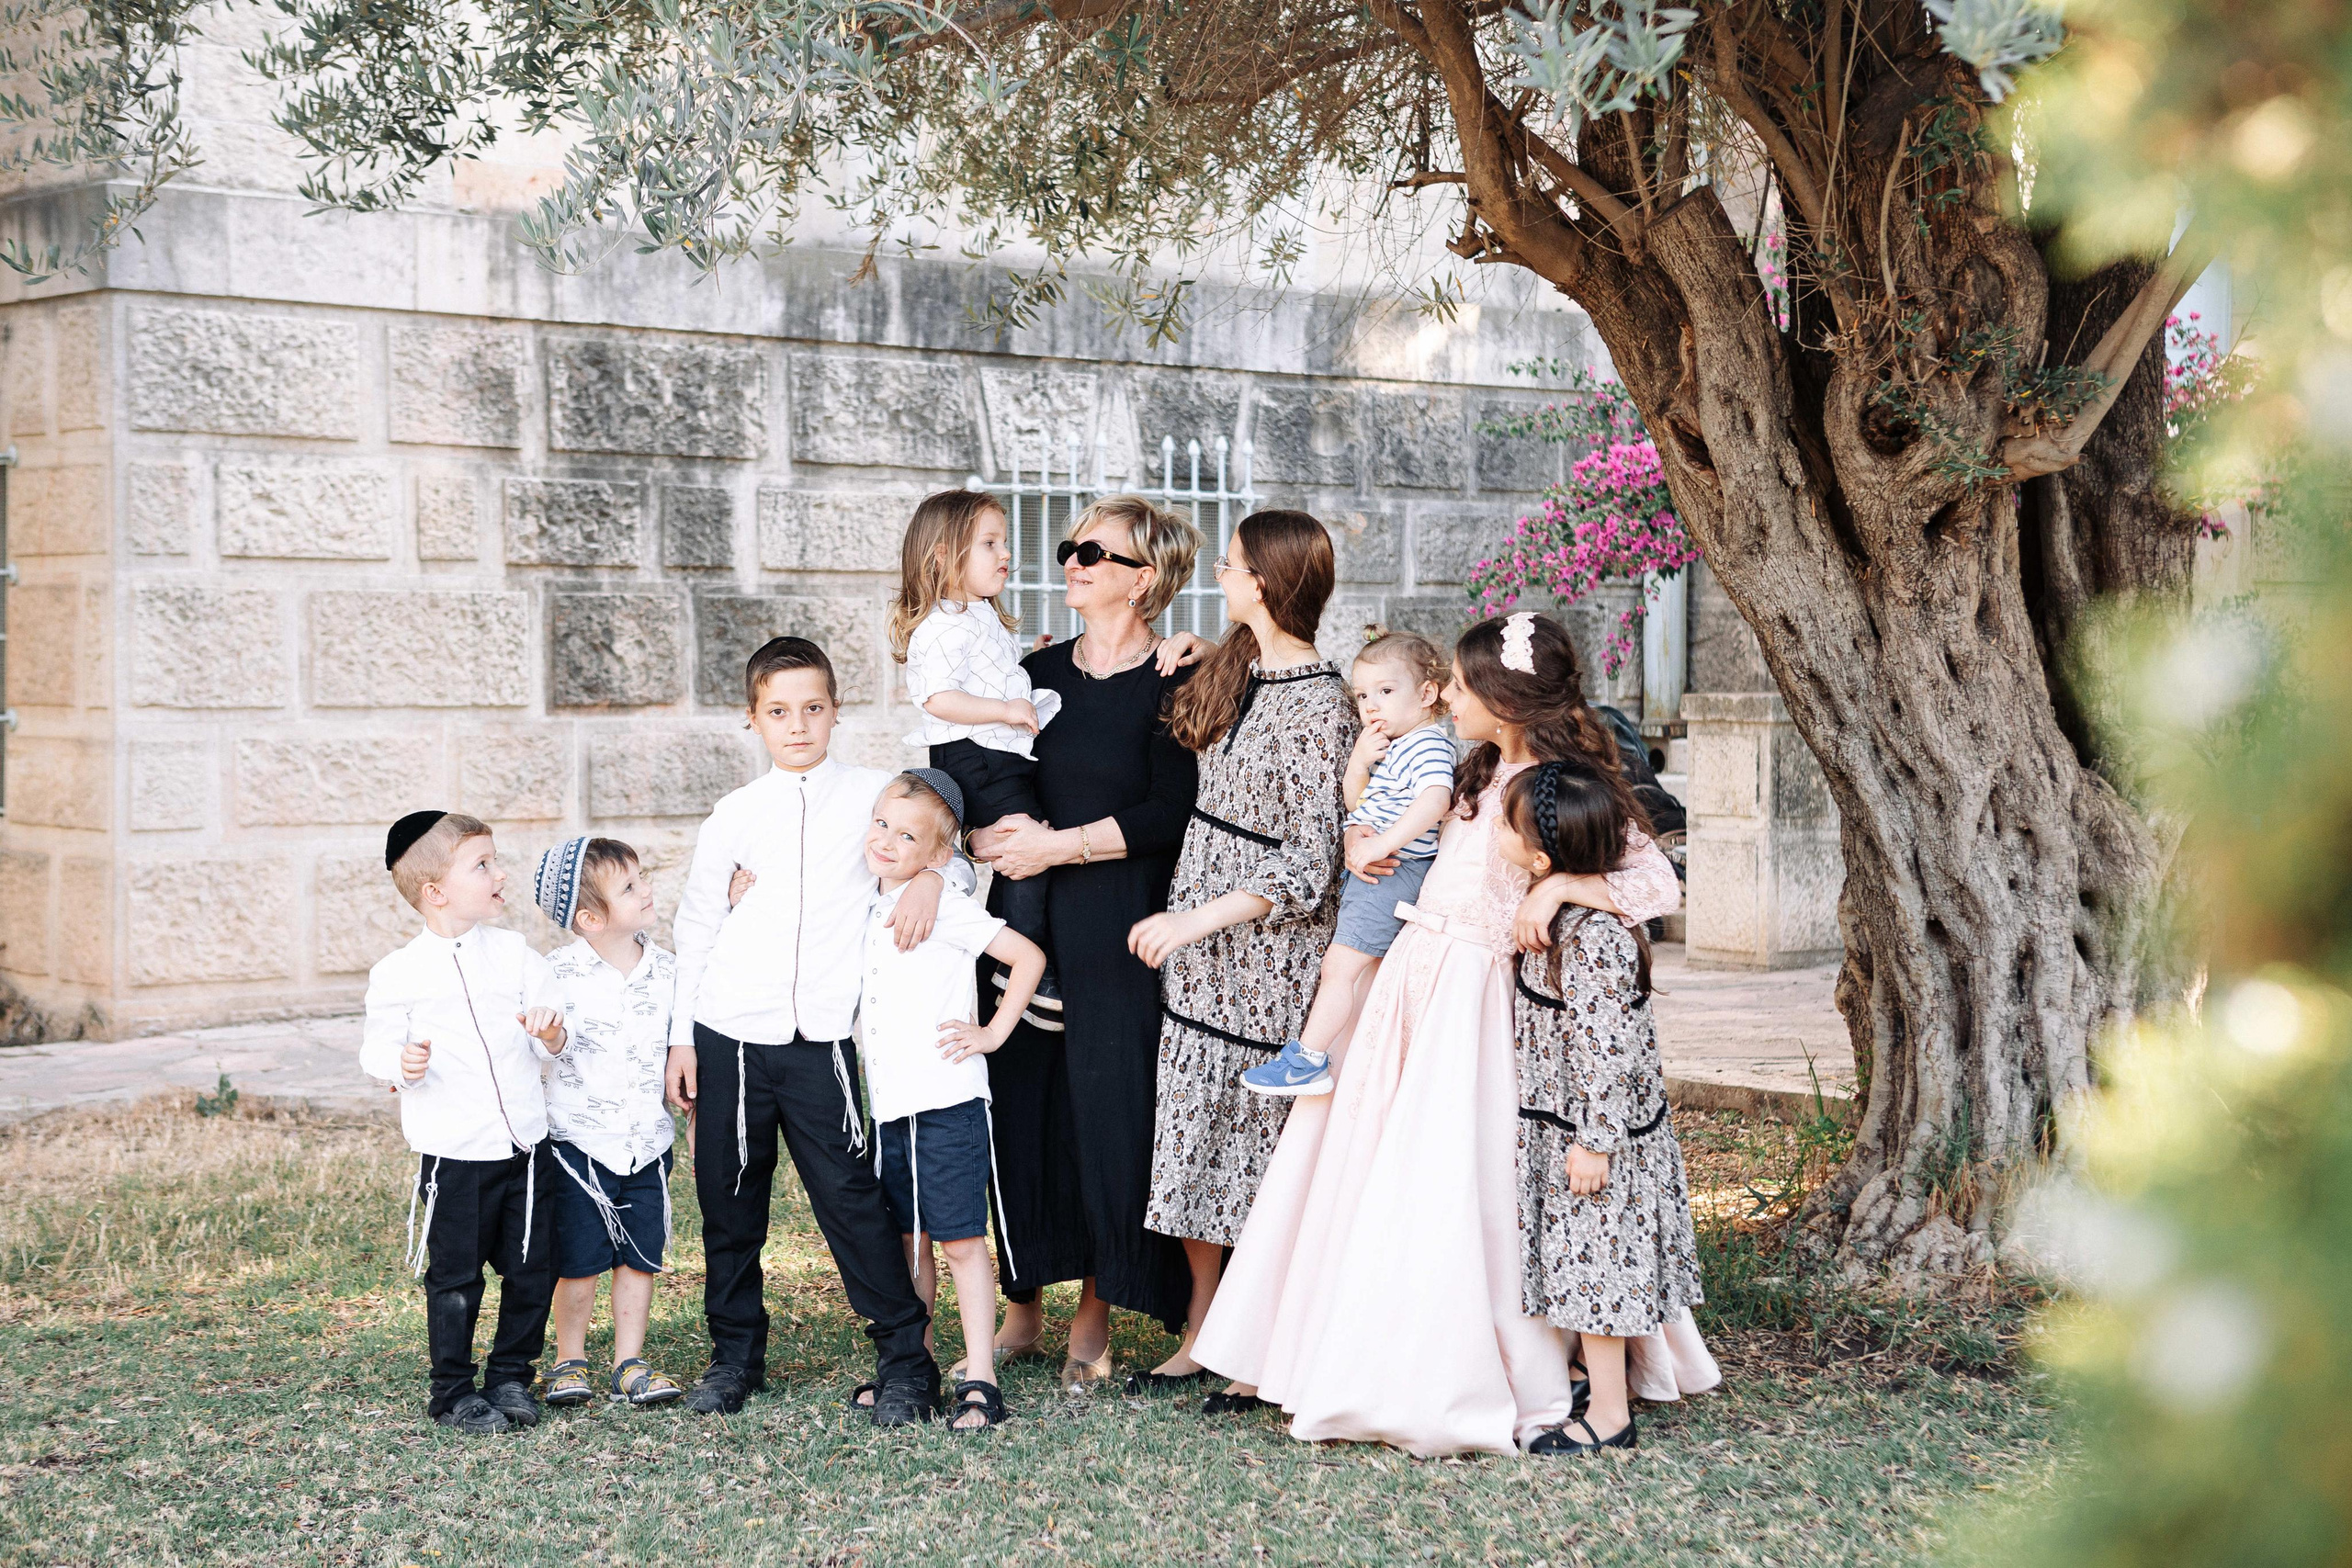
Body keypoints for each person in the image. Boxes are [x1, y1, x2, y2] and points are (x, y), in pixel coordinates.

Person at [1190, 611, 1695, 1457]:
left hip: (1483, 995)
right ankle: (1341, 1342)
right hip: (1415, 976)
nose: (1448, 698)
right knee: (1376, 1163)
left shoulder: (1563, 785)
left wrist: (1561, 887)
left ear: (1501, 697)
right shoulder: (1474, 767)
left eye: (1459, 686)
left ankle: (1501, 1358)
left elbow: (1657, 882)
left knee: (1467, 1175)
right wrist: (1363, 833)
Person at [662, 636, 954, 1425]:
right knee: (729, 1201)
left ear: (835, 712)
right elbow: (696, 924)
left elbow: (944, 838)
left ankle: (905, 1359)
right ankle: (734, 1357)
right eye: (779, 712)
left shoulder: (870, 796)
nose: (798, 725)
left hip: (819, 1039)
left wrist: (927, 873)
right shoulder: (735, 814)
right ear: (753, 720)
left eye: (813, 708)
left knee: (853, 1199)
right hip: (729, 1031)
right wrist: (683, 1040)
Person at [967, 494, 1204, 1387]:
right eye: (1071, 548)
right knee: (1018, 1103)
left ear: (1145, 579)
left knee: (1106, 1113)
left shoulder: (1178, 682)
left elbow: (1168, 811)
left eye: (1094, 553)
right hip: (1022, 913)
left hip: (1117, 916)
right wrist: (979, 831)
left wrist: (1060, 844)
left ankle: (1094, 1312)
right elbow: (976, 765)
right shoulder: (1031, 672)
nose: (1071, 561)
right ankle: (1021, 1304)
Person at [1127, 510, 1356, 1389]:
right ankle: (1203, 1328)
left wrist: (1197, 919)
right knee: (1190, 1135)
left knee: (1257, 1149)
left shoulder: (1321, 705)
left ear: (1262, 580)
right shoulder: (1236, 663)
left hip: (1265, 952)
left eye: (1227, 565)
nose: (1217, 574)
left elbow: (1309, 862)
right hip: (1200, 942)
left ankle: (1262, 1341)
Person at [1495, 761, 1713, 1455]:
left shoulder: (1594, 939)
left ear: (1539, 855)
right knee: (1582, 1266)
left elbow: (1606, 1052)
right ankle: (1595, 1380)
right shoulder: (1560, 913)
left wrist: (1594, 1140)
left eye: (1506, 822)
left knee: (1599, 1274)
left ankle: (1611, 1416)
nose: (1495, 830)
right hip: (1562, 1123)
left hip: (1593, 1135)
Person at [359, 810, 568, 1434]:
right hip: (454, 1153)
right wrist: (402, 1062)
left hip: (525, 1147)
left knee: (533, 1266)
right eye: (482, 865)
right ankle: (452, 1390)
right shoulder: (399, 972)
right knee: (455, 1277)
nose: (499, 872)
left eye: (495, 860)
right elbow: (376, 1049)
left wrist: (552, 1033)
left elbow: (551, 1035)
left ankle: (510, 1376)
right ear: (435, 891)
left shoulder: (516, 956)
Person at [856, 769, 1047, 1433]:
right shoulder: (867, 900)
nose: (885, 840)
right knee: (911, 1244)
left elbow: (1025, 957)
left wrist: (993, 1032)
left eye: (906, 834)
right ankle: (917, 1363)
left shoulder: (945, 903)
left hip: (946, 1100)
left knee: (963, 1241)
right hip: (890, 1108)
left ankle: (980, 1376)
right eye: (881, 823)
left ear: (938, 855)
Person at [1245, 629, 1454, 1098]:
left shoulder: (1427, 744)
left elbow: (1435, 800)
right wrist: (1357, 763)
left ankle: (1308, 1058)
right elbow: (1358, 803)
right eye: (1362, 695)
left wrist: (1384, 845)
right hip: (1377, 871)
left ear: (1426, 694)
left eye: (1385, 691)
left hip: (1395, 871)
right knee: (1351, 971)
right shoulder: (1395, 747)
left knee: (1338, 969)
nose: (1371, 705)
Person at [890, 489, 1065, 1030]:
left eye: (1005, 542)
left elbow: (983, 674)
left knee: (1027, 843)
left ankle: (1014, 953)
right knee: (1026, 842)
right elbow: (938, 699)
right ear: (942, 555)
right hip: (975, 756)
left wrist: (1026, 664)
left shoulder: (975, 614)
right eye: (989, 543)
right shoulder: (941, 625)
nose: (1005, 554)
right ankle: (1013, 962)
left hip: (993, 754)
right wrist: (1007, 708)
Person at [529, 835, 685, 1411]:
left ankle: (629, 1360)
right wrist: (549, 1034)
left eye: (642, 877)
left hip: (646, 1141)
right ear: (589, 918)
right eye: (630, 886)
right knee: (580, 1261)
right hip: (579, 1143)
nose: (646, 889)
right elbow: (550, 1046)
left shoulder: (668, 969)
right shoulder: (557, 973)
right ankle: (569, 1360)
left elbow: (682, 1038)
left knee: (639, 1256)